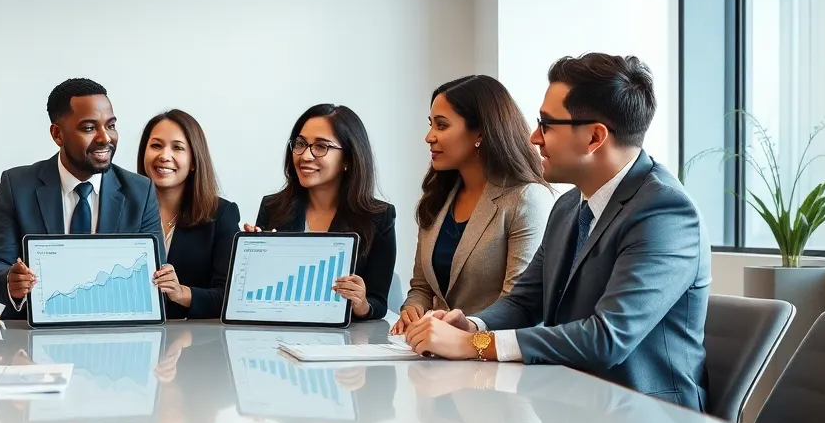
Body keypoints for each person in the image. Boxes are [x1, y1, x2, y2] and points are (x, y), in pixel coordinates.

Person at [404, 53, 711, 412]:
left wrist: (477, 345)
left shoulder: (665, 213)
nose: (534, 137)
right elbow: (525, 301)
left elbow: (606, 338)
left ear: (595, 136)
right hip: (572, 407)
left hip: (647, 422)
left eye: (547, 125)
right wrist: (471, 324)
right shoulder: (568, 206)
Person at [0, 78, 165, 319]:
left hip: (116, 331)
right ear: (58, 134)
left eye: (110, 125)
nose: (105, 138)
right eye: (89, 128)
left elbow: (155, 273)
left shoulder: (140, 191)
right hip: (31, 336)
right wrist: (11, 282)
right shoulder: (18, 186)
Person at [392, 75, 555, 334]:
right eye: (431, 124)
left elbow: (520, 307)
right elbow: (422, 288)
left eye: (442, 126)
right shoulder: (437, 198)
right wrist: (412, 310)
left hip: (493, 360)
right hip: (435, 357)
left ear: (480, 132)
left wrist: (463, 335)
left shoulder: (527, 199)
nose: (429, 137)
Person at [248, 104, 397, 321]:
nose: (305, 156)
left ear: (348, 159)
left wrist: (361, 303)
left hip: (344, 343)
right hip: (279, 334)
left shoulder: (379, 215)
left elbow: (378, 302)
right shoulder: (273, 207)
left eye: (320, 147)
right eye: (300, 144)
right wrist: (252, 257)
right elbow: (261, 292)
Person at [136, 109, 240, 319]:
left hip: (196, 343)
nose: (164, 156)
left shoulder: (221, 214)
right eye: (156, 145)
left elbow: (230, 297)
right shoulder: (125, 210)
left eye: (178, 148)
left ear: (194, 160)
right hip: (135, 340)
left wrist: (182, 293)